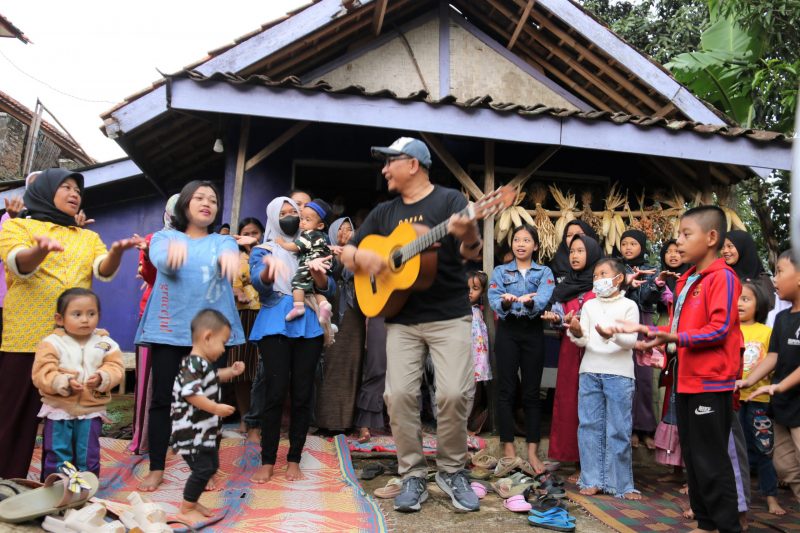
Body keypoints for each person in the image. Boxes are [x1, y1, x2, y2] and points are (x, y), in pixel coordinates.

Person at [340, 137, 483, 513]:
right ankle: (413, 475)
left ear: (414, 164)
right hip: (400, 317)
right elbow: (349, 252)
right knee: (399, 396)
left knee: (452, 393)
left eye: (390, 162)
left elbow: (472, 253)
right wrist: (365, 258)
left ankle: (452, 470)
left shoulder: (451, 202)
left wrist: (468, 233)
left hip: (449, 314)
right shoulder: (385, 212)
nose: (385, 169)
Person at [0, 168, 139, 479]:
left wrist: (116, 254)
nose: (75, 194)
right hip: (26, 339)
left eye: (77, 189)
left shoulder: (88, 237)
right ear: (45, 191)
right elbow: (19, 263)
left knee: (69, 422)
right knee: (13, 417)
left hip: (74, 347)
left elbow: (102, 270)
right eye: (66, 187)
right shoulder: (17, 227)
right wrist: (40, 249)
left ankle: (63, 486)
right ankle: (7, 483)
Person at [613, 205, 743, 533]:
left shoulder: (723, 278)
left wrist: (674, 336)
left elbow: (720, 328)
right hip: (684, 382)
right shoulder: (687, 279)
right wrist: (654, 341)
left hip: (710, 384)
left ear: (712, 237)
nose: (679, 242)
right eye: (679, 234)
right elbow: (678, 328)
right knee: (695, 462)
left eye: (687, 234)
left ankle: (727, 526)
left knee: (711, 461)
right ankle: (705, 522)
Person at [134, 180, 245, 492]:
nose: (207, 203)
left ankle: (204, 468)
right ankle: (157, 467)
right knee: (162, 400)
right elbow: (162, 263)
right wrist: (173, 256)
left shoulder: (223, 242)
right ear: (184, 204)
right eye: (199, 197)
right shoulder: (164, 238)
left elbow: (229, 262)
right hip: (168, 327)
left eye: (212, 199)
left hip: (209, 332)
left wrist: (228, 262)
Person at [248, 196, 335, 483]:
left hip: (308, 321)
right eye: (283, 213)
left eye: (294, 212)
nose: (290, 217)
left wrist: (319, 276)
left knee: (302, 392)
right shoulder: (263, 250)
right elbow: (260, 285)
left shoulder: (311, 244)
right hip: (275, 321)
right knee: (274, 391)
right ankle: (268, 458)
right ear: (273, 217)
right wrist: (268, 270)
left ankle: (295, 458)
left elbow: (329, 286)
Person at [566, 258, 640, 499]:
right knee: (588, 426)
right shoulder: (589, 306)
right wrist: (576, 331)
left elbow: (631, 342)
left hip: (619, 374)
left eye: (603, 274)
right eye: (596, 275)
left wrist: (612, 335)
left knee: (618, 429)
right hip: (589, 371)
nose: (598, 279)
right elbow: (583, 339)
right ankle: (591, 479)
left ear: (618, 278)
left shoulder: (630, 305)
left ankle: (622, 484)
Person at [32, 288, 123, 478]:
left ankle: (86, 494)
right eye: (77, 314)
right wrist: (62, 381)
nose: (85, 319)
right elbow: (42, 372)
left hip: (91, 410)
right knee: (58, 452)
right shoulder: (52, 343)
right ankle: (56, 491)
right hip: (59, 409)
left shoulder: (105, 343)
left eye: (91, 314)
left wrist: (102, 377)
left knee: (88, 454)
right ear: (60, 319)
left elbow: (115, 366)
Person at [488, 224, 555, 474]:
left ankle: (532, 451)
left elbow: (542, 298)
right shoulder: (500, 271)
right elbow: (495, 299)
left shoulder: (545, 271)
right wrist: (507, 304)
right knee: (505, 389)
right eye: (517, 239)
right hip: (507, 331)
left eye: (527, 240)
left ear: (535, 246)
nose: (521, 244)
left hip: (532, 332)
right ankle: (508, 449)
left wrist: (528, 304)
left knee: (531, 392)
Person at [171, 309, 244, 526]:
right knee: (203, 469)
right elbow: (191, 393)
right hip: (190, 431)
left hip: (203, 432)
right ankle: (186, 509)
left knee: (210, 466)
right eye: (223, 342)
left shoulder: (203, 365)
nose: (223, 349)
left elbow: (214, 376)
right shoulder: (191, 364)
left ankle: (192, 502)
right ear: (207, 337)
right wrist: (215, 408)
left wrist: (230, 371)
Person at [740, 250, 800, 508]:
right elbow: (773, 356)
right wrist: (747, 381)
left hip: (792, 402)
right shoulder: (783, 318)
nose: (774, 279)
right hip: (782, 408)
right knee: (786, 468)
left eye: (780, 271)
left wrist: (778, 386)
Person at [541, 234, 602, 481]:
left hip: (593, 352)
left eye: (580, 251)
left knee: (590, 404)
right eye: (572, 251)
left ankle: (586, 463)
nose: (575, 256)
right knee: (567, 401)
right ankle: (565, 454)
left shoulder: (600, 285)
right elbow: (558, 318)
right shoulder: (564, 288)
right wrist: (557, 320)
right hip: (569, 351)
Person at [129, 194, 180, 455]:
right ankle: (144, 438)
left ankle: (179, 437)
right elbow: (149, 277)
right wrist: (149, 255)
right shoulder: (153, 239)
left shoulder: (199, 240)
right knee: (149, 381)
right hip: (155, 315)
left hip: (186, 319)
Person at [732, 282, 785, 515]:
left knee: (764, 448)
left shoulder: (766, 332)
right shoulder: (728, 331)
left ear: (759, 304)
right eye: (736, 298)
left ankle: (771, 496)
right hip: (732, 399)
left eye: (746, 299)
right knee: (734, 449)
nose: (739, 303)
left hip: (758, 400)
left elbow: (773, 363)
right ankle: (738, 497)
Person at [315, 216, 367, 433]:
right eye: (341, 230)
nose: (345, 234)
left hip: (355, 317)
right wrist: (335, 257)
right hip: (332, 314)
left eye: (349, 229)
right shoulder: (324, 253)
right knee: (329, 365)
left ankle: (346, 422)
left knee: (352, 364)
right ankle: (326, 421)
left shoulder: (360, 256)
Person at [618, 229, 664, 449]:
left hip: (643, 321)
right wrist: (626, 284)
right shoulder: (617, 268)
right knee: (625, 376)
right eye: (624, 243)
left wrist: (653, 285)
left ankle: (646, 428)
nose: (627, 247)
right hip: (621, 322)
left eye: (633, 244)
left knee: (644, 378)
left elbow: (648, 297)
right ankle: (629, 429)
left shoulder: (650, 269)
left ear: (642, 247)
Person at [227, 217, 264, 436]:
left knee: (262, 370)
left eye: (255, 232)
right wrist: (237, 291)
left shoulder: (269, 254)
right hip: (241, 315)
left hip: (266, 313)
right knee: (241, 370)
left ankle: (258, 421)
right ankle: (244, 418)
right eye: (246, 233)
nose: (251, 236)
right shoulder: (235, 258)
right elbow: (228, 284)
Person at [275, 199, 333, 324]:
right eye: (301, 219)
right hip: (323, 264)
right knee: (312, 290)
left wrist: (282, 244)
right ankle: (323, 305)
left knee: (297, 283)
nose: (302, 223)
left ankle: (298, 307)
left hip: (311, 263)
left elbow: (295, 246)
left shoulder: (309, 234)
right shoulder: (323, 236)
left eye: (307, 220)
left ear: (320, 225)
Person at [466, 270, 491, 433]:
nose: (469, 292)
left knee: (474, 395)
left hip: (475, 363)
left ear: (482, 291)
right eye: (467, 288)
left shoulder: (478, 313)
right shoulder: (459, 313)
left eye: (475, 288)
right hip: (461, 360)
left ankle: (471, 426)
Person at [722, 230, 775, 307]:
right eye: (723, 247)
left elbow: (770, 313)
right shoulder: (724, 277)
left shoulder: (762, 280)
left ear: (743, 247)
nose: (725, 251)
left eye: (730, 246)